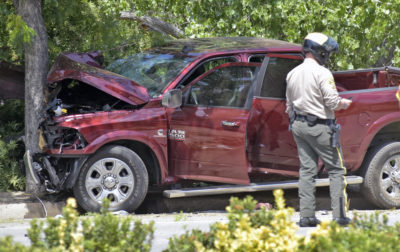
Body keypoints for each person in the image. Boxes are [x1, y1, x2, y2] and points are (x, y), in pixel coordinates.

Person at [286, 32, 353, 227]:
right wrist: (344, 103)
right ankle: (339, 216)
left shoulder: (292, 73)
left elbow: (289, 106)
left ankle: (306, 217)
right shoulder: (322, 73)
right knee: (336, 170)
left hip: (298, 126)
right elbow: (332, 102)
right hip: (321, 127)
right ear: (319, 51)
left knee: (307, 170)